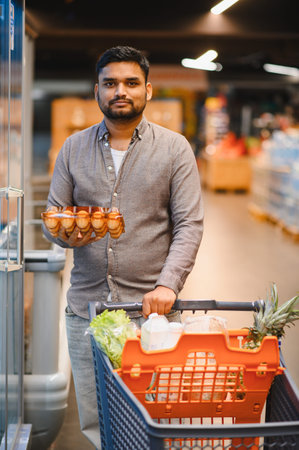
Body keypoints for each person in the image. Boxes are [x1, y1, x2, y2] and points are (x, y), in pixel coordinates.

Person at [43, 45, 204, 448]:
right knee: (98, 420)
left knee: (152, 414)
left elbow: (189, 224)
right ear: (96, 91)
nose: (121, 91)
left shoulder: (174, 149)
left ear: (148, 90)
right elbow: (54, 215)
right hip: (87, 311)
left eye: (131, 83)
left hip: (150, 311)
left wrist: (169, 284)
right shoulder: (73, 148)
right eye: (110, 83)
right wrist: (63, 235)